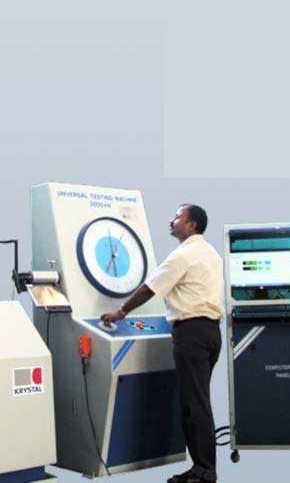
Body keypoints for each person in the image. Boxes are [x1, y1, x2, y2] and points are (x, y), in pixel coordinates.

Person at [101, 204, 223, 483]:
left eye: (178, 217)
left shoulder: (183, 255)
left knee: (194, 404)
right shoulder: (211, 253)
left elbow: (149, 288)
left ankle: (204, 471)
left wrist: (121, 312)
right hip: (210, 332)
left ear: (191, 225)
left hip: (191, 333)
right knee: (198, 400)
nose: (172, 220)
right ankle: (203, 467)